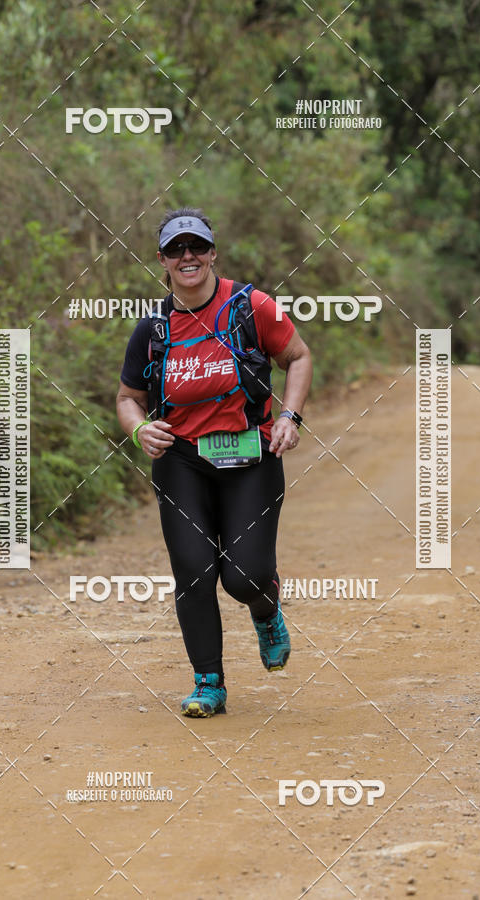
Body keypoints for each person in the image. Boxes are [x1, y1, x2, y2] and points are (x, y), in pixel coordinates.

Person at [116, 207, 312, 717]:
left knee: (243, 577)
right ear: (161, 260)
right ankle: (209, 684)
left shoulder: (252, 308)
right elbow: (127, 397)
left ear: (213, 253)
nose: (188, 257)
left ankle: (266, 611)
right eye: (176, 249)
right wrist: (140, 428)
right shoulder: (154, 328)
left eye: (196, 247)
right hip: (182, 462)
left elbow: (298, 357)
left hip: (251, 454)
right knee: (194, 571)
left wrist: (289, 415)